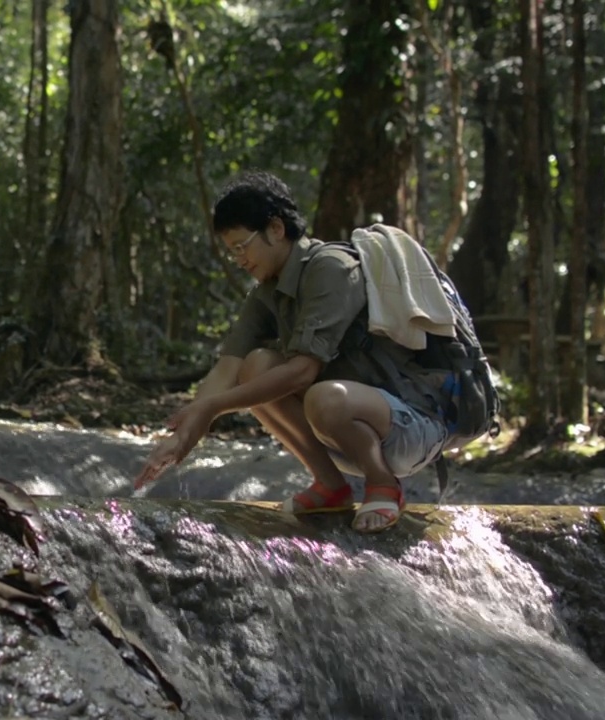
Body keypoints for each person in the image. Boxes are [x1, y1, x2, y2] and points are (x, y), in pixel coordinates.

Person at [134, 170, 450, 533]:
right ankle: (332, 486)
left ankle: (384, 485)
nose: (239, 259)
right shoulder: (266, 292)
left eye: (241, 246)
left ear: (276, 229)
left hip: (411, 424)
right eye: (230, 251)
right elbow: (226, 371)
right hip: (351, 423)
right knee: (256, 367)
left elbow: (303, 371)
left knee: (324, 396)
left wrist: (213, 408)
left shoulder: (331, 268)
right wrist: (180, 439)